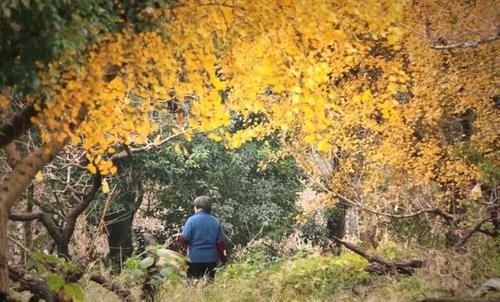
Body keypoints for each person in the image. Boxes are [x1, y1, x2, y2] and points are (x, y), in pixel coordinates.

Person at [178, 195, 227, 279]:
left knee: (193, 285)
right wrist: (224, 260)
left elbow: (184, 239)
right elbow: (220, 243)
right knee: (208, 286)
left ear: (196, 207)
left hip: (194, 259)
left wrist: (178, 238)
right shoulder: (215, 221)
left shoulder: (191, 220)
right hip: (211, 260)